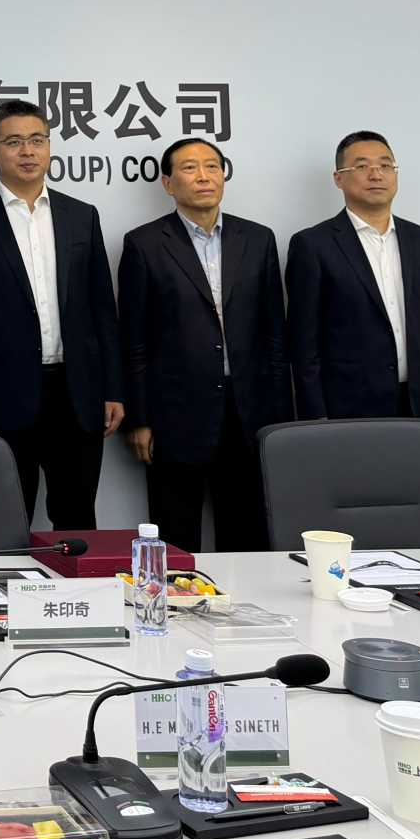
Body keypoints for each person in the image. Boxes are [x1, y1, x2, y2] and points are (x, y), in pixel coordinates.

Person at [0, 99, 123, 529]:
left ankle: (75, 578)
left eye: (36, 140)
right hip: (1, 393)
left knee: (77, 516)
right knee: (5, 517)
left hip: (76, 390)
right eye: (13, 142)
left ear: (48, 146)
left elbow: (102, 308)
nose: (27, 151)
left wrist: (112, 388)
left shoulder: (81, 215)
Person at [118, 137, 294, 552]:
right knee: (175, 536)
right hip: (175, 414)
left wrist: (280, 417)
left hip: (249, 412)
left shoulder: (258, 239)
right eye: (190, 168)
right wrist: (139, 419)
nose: (204, 176)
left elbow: (274, 333)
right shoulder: (144, 244)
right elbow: (134, 339)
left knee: (248, 535)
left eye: (212, 166)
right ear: (168, 183)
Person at [285, 130, 420, 422]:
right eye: (362, 166)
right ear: (338, 178)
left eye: (385, 165)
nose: (376, 174)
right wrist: (315, 418)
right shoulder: (312, 245)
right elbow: (304, 344)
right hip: (349, 409)